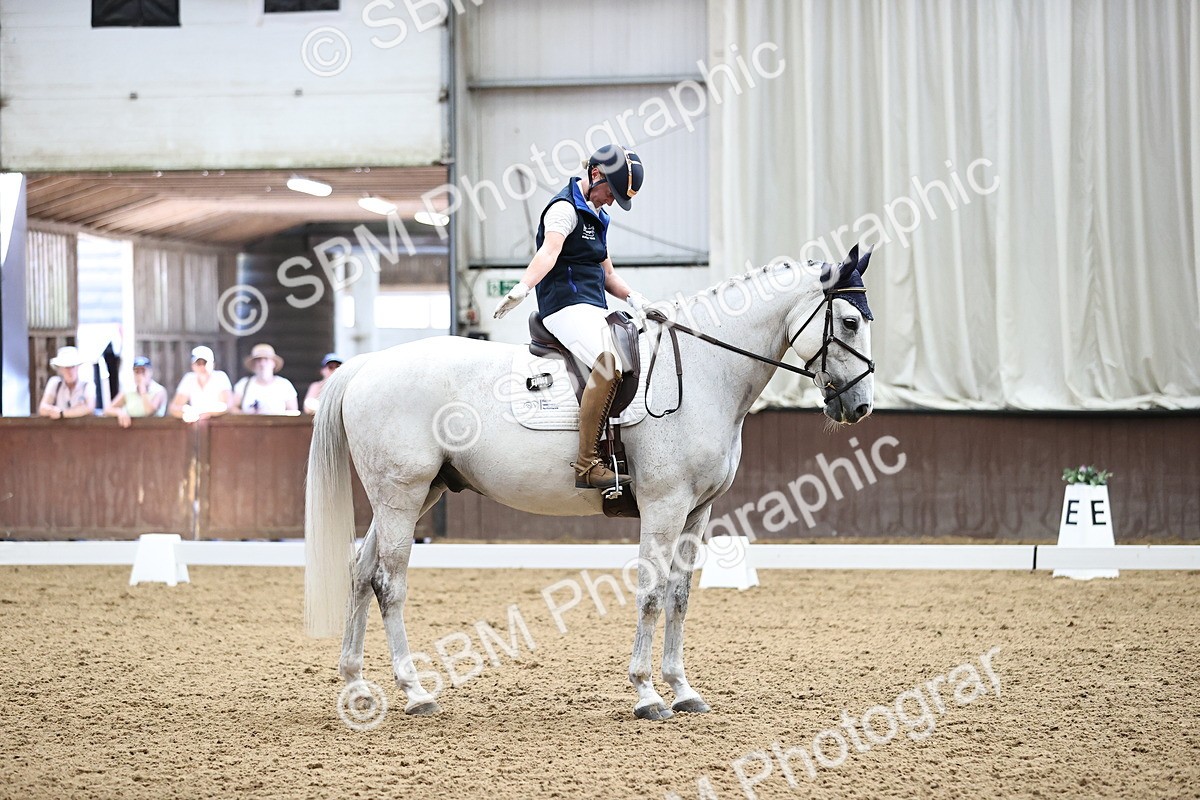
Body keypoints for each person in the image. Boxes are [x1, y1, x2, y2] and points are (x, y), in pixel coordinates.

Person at [493, 144, 648, 490]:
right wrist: (522, 287)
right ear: (595, 174)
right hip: (563, 306)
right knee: (608, 363)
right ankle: (587, 464)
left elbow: (608, 275)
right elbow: (548, 253)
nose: (611, 202)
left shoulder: (600, 215)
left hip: (592, 307)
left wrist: (636, 298)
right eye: (611, 193)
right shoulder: (564, 209)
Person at [231, 343, 298, 415]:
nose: (262, 364)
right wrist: (246, 415)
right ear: (253, 364)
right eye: (258, 360)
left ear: (273, 363)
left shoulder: (284, 385)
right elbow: (232, 408)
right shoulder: (243, 384)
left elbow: (293, 412)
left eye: (266, 359)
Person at [169, 345, 233, 421]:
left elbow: (228, 405)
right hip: (197, 424)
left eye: (205, 363)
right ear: (193, 366)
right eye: (199, 363)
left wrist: (202, 411)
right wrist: (186, 414)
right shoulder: (189, 378)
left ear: (213, 364)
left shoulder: (220, 377)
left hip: (220, 423)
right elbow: (173, 407)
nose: (202, 367)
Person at [105, 356, 167, 428]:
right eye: (137, 372)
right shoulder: (128, 391)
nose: (140, 375)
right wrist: (119, 412)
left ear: (150, 372)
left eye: (143, 371)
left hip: (153, 429)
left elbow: (149, 411)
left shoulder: (159, 391)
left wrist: (142, 390)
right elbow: (107, 410)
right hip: (131, 430)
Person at [38, 346, 96, 419]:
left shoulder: (87, 385)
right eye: (66, 367)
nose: (70, 371)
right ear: (60, 369)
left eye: (72, 366)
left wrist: (62, 413)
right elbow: (42, 408)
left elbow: (89, 408)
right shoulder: (55, 383)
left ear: (78, 367)